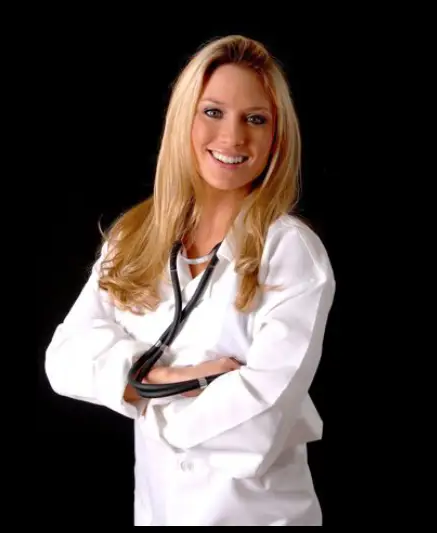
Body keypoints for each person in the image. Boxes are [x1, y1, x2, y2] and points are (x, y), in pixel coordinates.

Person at [44, 34, 336, 526]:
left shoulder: (291, 252)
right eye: (214, 112)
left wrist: (130, 392)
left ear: (277, 137)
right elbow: (64, 360)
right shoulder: (137, 235)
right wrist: (169, 380)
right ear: (184, 119)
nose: (233, 137)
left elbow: (257, 426)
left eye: (256, 119)